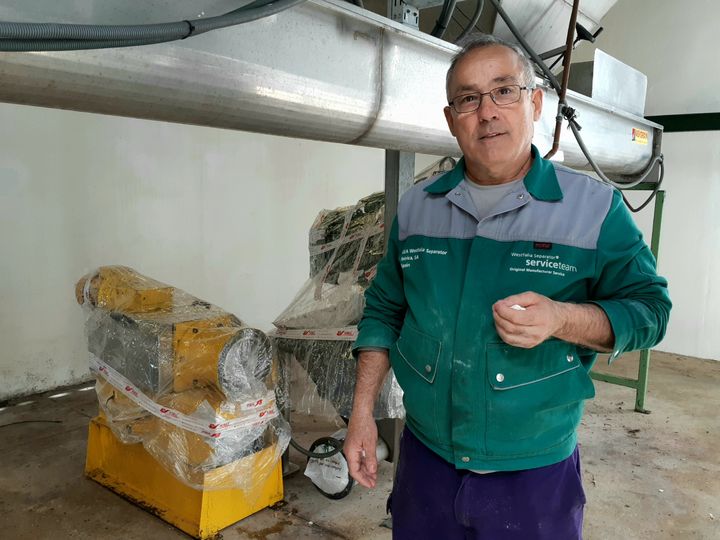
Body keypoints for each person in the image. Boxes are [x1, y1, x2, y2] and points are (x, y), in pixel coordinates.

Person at [343, 34, 671, 540]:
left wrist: (563, 319)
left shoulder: (593, 210)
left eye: (504, 91)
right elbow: (384, 309)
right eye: (468, 99)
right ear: (452, 119)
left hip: (533, 475)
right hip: (426, 466)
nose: (487, 112)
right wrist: (362, 413)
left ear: (534, 102)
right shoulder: (416, 209)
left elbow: (651, 311)